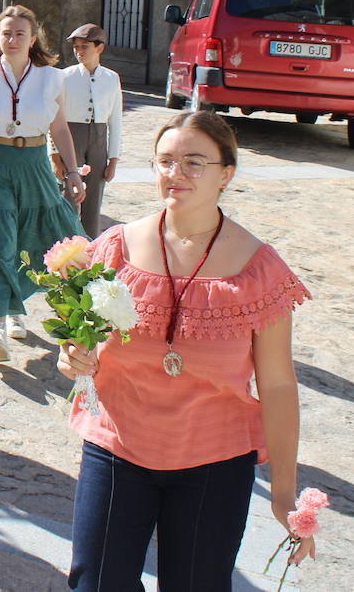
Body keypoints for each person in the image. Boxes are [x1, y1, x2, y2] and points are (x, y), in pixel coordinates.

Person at [58, 111, 313, 589]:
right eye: (166, 161)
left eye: (194, 162)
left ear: (227, 174)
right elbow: (79, 344)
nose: (176, 174)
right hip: (118, 447)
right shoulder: (115, 249)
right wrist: (73, 358)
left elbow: (278, 384)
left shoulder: (260, 271)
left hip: (215, 462)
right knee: (95, 584)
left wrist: (284, 492)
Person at [0, 5, 86, 363]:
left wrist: (72, 172)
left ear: (32, 39)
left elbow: (59, 128)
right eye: (6, 33)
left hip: (34, 166)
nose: (12, 39)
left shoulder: (50, 78)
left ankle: (17, 309)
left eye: (19, 34)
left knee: (43, 237)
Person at [51, 23, 123, 237]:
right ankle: (66, 244)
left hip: (99, 140)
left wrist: (113, 159)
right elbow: (54, 119)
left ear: (99, 48)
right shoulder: (64, 76)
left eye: (84, 47)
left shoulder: (112, 78)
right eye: (76, 47)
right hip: (71, 137)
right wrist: (55, 156)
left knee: (94, 199)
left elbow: (116, 120)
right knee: (69, 196)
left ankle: (91, 247)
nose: (79, 51)